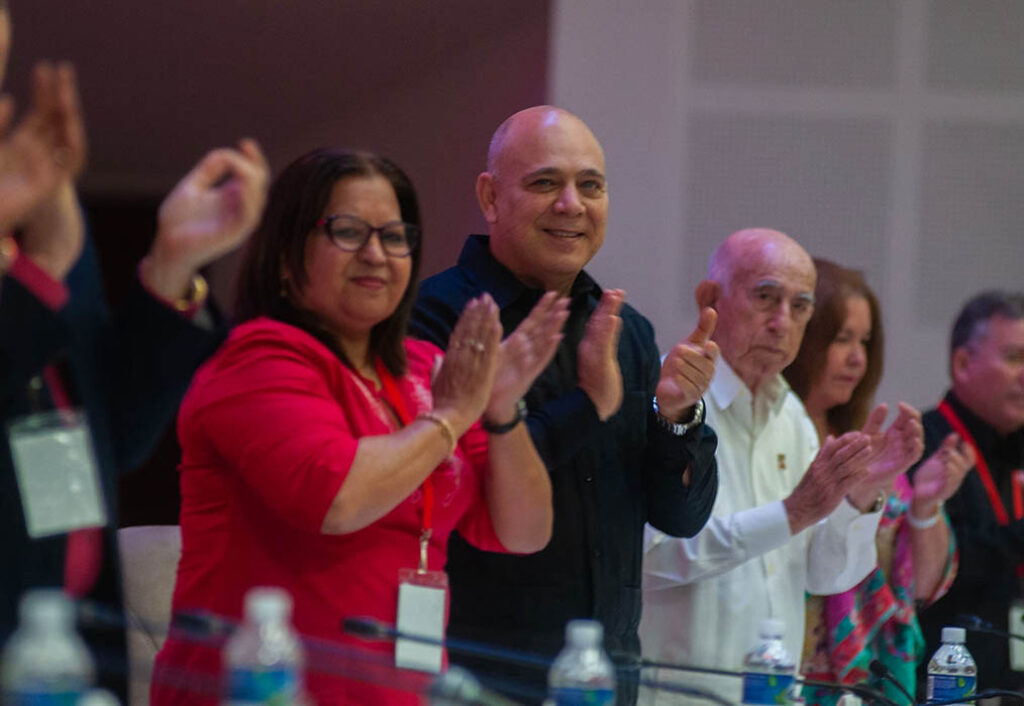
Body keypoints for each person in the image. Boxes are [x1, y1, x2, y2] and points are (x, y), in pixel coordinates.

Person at [150, 147, 564, 706]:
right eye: (348, 231)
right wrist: (450, 416)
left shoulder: (421, 367)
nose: (376, 254)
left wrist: (502, 410)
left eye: (395, 237)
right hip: (258, 689)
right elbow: (337, 499)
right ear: (285, 255)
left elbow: (524, 531)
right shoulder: (257, 359)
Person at [0, 1, 270, 694]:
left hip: (67, 652)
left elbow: (113, 437)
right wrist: (37, 275)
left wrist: (174, 267)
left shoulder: (38, 217)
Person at [411, 105, 719, 705]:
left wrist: (676, 416)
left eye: (591, 186)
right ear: (490, 196)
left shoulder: (628, 331)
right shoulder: (439, 317)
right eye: (545, 183)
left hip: (610, 673)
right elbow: (462, 493)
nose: (571, 205)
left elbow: (680, 518)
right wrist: (586, 405)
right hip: (481, 673)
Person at [639, 229, 925, 706]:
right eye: (765, 297)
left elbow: (823, 576)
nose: (781, 322)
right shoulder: (669, 398)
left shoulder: (790, 415)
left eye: (800, 307)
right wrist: (791, 513)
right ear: (710, 299)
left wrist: (863, 494)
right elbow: (652, 556)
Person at [783, 259, 973, 701]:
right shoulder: (774, 441)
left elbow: (919, 589)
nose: (857, 358)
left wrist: (925, 508)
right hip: (784, 673)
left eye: (865, 341)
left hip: (866, 685)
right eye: (841, 339)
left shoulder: (870, 450)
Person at [913, 291, 1024, 693]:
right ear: (962, 363)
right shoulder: (925, 444)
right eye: (1014, 358)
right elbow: (934, 568)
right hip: (944, 685)